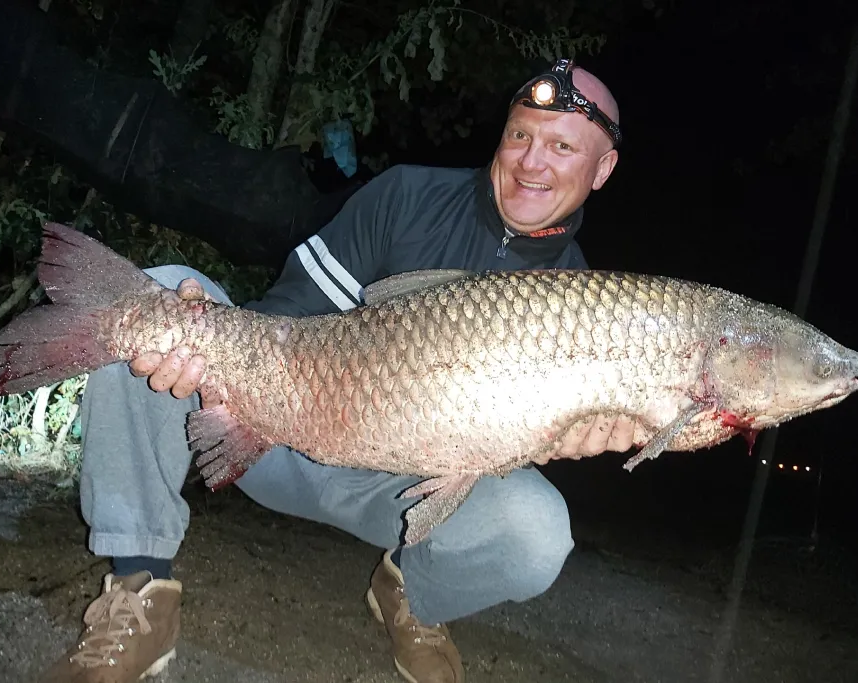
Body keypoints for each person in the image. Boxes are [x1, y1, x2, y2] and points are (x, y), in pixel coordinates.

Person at [39, 58, 635, 683]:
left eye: (562, 146)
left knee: (538, 530)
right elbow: (292, 307)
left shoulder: (579, 303)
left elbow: (499, 444)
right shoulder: (408, 196)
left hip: (397, 495)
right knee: (159, 298)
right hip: (280, 433)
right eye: (520, 135)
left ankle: (411, 594)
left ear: (602, 169)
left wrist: (559, 439)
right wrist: (210, 344)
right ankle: (140, 589)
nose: (530, 162)